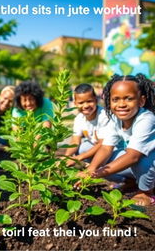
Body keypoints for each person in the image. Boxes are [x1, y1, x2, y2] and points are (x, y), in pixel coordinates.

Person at [80, 74, 155, 206]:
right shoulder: (115, 119)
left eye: (128, 98)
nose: (121, 104)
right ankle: (131, 183)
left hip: (148, 162)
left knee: (141, 159)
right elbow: (106, 147)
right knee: (98, 159)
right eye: (115, 99)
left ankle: (146, 191)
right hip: (137, 162)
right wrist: (90, 170)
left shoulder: (146, 118)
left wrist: (95, 174)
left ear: (141, 101)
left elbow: (133, 156)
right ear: (109, 101)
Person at [64, 84, 109, 166]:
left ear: (96, 100)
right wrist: (66, 157)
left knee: (84, 153)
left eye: (89, 101)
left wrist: (79, 158)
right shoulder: (79, 118)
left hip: (110, 149)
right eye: (81, 103)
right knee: (81, 148)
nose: (86, 106)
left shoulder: (104, 116)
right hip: (97, 147)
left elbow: (102, 144)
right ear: (75, 103)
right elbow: (75, 141)